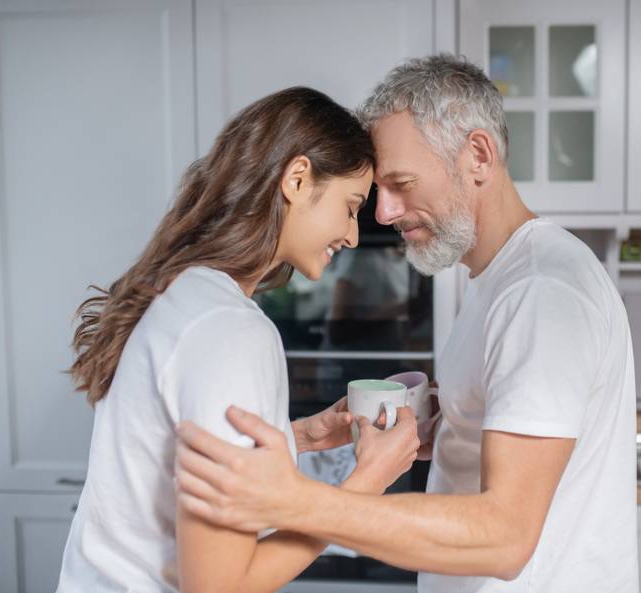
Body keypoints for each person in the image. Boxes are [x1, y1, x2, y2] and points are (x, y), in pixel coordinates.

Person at [175, 54, 640, 593]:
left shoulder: (540, 291)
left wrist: (299, 500)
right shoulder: (497, 280)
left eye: (401, 183)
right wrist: (453, 426)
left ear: (479, 156)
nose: (383, 213)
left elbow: (506, 539)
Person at [56, 87, 420, 593]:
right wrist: (365, 486)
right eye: (350, 205)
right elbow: (218, 586)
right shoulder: (232, 330)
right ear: (297, 179)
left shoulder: (183, 294)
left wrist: (306, 436)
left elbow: (176, 458)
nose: (353, 235)